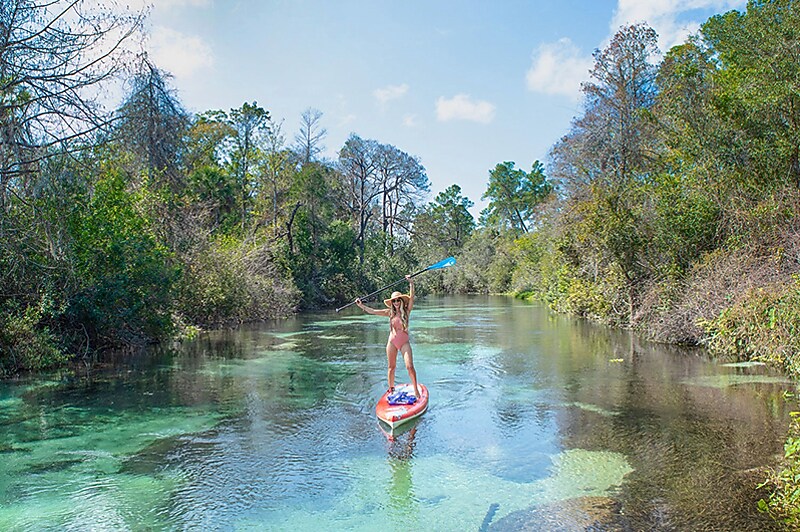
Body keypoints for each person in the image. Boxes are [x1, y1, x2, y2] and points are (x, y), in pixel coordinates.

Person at [355, 275, 421, 398]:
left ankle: (416, 389)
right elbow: (373, 311)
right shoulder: (389, 312)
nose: (396, 303)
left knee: (409, 367)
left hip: (404, 342)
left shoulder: (407, 311)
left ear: (401, 301)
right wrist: (361, 306)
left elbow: (412, 298)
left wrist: (411, 283)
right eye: (394, 301)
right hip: (392, 342)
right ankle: (391, 389)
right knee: (391, 367)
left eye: (397, 300)